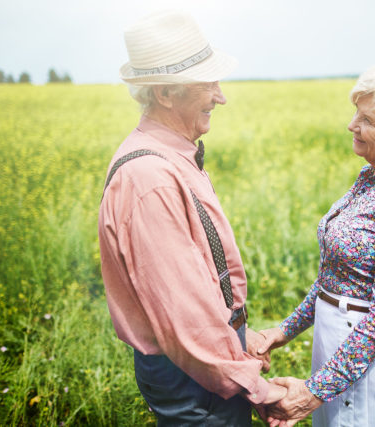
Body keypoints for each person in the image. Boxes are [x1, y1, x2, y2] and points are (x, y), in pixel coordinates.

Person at [98, 11, 285, 426]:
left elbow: (200, 288)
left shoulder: (172, 158)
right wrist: (259, 387)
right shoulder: (150, 179)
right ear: (165, 93)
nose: (221, 97)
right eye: (208, 84)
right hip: (194, 376)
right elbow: (183, 317)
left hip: (205, 364)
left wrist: (238, 337)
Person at [258, 57, 375, 426]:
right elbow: (338, 278)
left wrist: (313, 391)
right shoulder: (371, 175)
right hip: (341, 351)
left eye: (367, 120)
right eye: (355, 114)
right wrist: (281, 333)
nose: (352, 125)